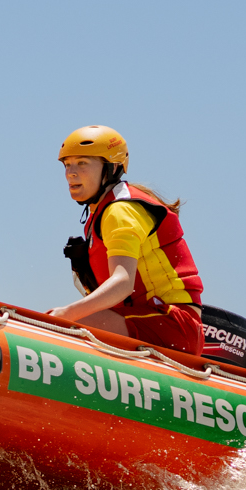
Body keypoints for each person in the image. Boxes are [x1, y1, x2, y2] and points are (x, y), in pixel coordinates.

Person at [52, 125, 205, 357]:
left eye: (82, 163)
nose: (70, 173)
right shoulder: (101, 211)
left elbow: (123, 283)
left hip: (174, 324)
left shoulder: (120, 210)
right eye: (67, 164)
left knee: (64, 322)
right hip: (148, 319)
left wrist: (66, 313)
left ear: (111, 168)